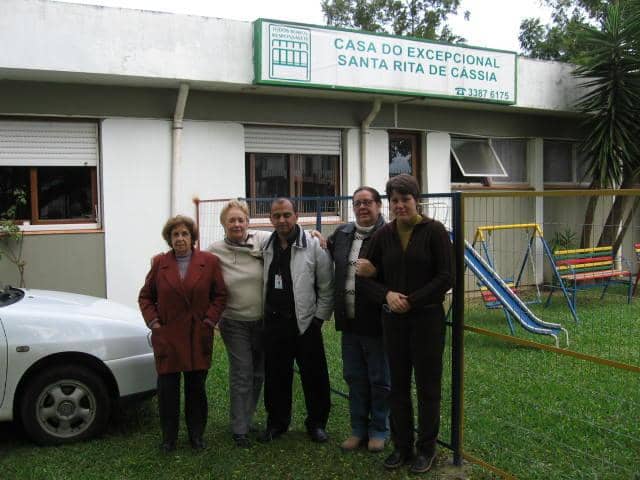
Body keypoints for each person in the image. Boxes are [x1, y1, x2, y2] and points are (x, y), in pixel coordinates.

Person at [359, 174, 453, 474]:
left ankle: (426, 450)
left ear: (416, 200)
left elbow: (446, 277)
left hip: (427, 320)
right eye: (394, 200)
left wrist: (411, 300)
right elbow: (364, 278)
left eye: (405, 199)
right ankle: (402, 447)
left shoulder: (434, 231)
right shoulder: (383, 235)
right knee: (397, 387)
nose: (399, 205)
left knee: (428, 387)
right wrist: (387, 295)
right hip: (394, 323)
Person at [139, 215, 228, 453]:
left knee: (196, 389)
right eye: (175, 234)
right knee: (167, 390)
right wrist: (154, 322)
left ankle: (196, 436)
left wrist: (209, 320)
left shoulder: (209, 262)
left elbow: (220, 295)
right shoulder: (159, 263)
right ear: (169, 238)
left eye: (184, 234)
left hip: (197, 335)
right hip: (167, 337)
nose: (180, 238)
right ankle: (169, 438)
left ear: (192, 237)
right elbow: (146, 296)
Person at [259, 198, 334, 444]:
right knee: (276, 377)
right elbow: (234, 235)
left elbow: (326, 287)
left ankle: (317, 424)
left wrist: (318, 320)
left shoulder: (313, 245)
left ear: (297, 215)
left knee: (315, 377)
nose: (282, 220)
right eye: (277, 215)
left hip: (305, 324)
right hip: (274, 324)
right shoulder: (265, 244)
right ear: (270, 219)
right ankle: (277, 423)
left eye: (287, 215)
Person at [327, 186, 390, 453]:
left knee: (379, 379)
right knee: (354, 377)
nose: (362, 208)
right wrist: (318, 237)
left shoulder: (389, 235)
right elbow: (329, 252)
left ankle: (379, 429)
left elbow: (399, 271)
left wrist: (378, 270)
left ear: (378, 206)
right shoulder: (342, 234)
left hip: (376, 323)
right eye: (357, 203)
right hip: (349, 323)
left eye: (367, 203)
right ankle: (357, 430)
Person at [208, 200, 271, 448]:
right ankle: (239, 428)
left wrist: (316, 235)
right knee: (242, 372)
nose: (236, 224)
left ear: (248, 222)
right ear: (223, 224)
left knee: (258, 373)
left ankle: (248, 417)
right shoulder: (214, 251)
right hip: (234, 322)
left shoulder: (262, 240)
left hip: (262, 321)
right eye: (231, 220)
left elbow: (290, 234)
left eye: (240, 220)